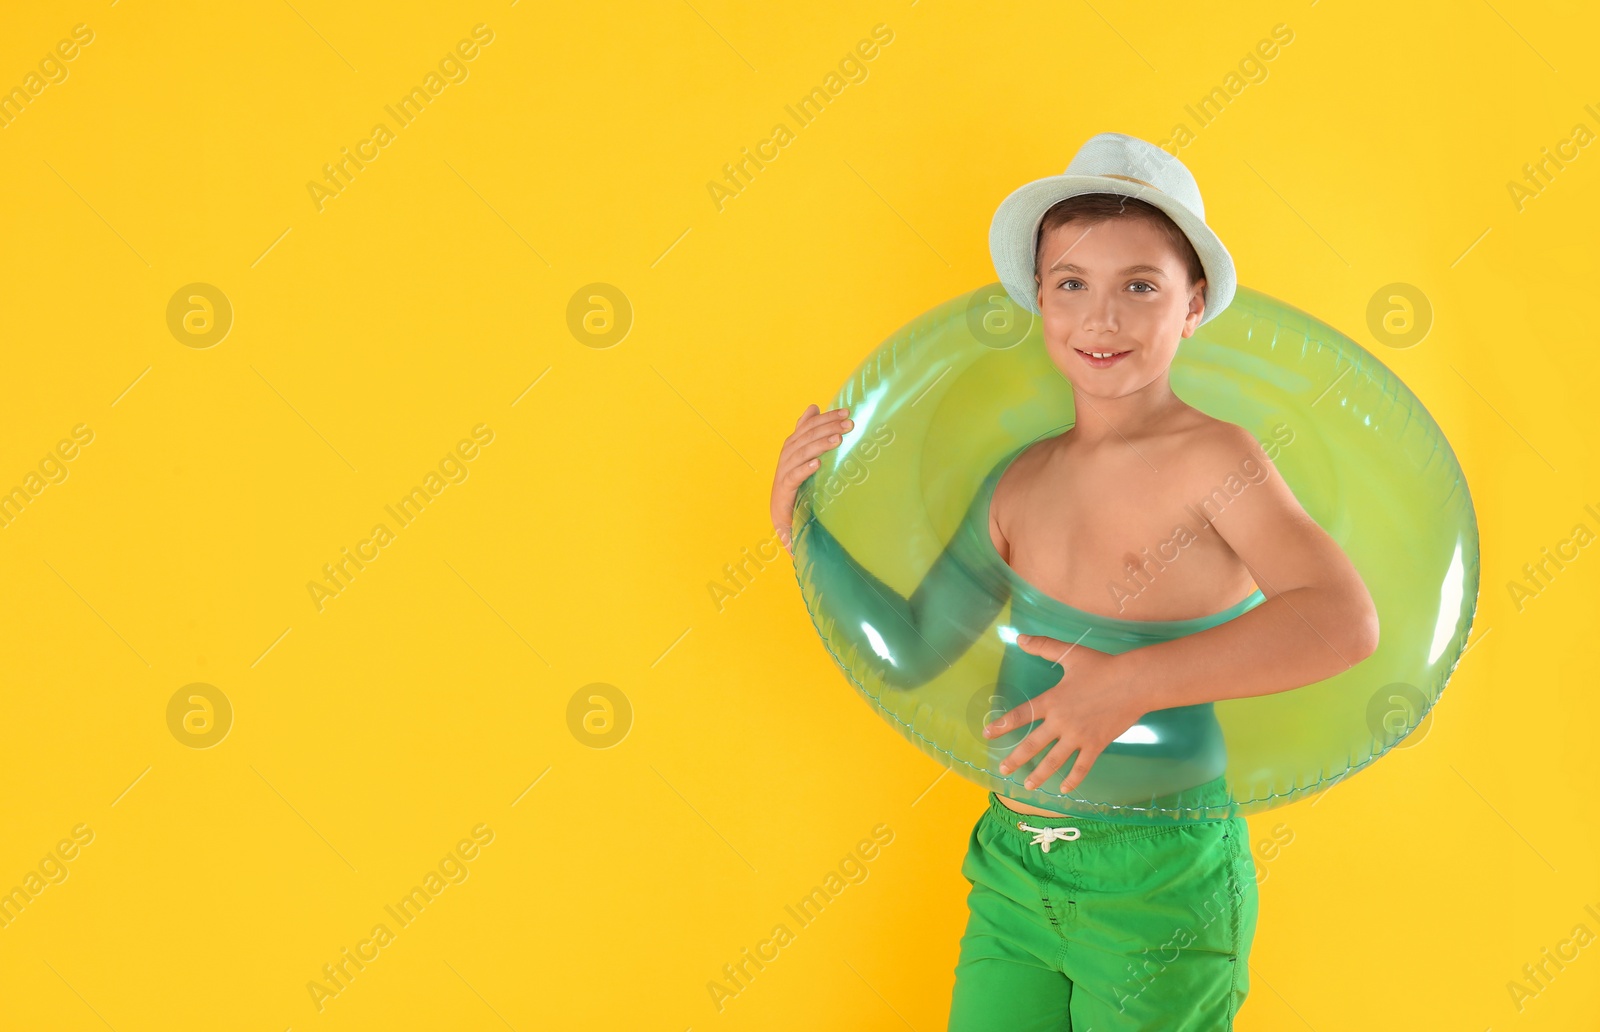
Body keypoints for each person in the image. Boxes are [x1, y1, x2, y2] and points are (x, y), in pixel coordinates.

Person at [768, 132, 1379, 1030]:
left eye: (1140, 286)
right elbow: (910, 648)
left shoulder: (1215, 460)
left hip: (1158, 870)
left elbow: (1341, 621)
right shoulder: (1022, 479)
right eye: (1072, 285)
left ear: (1192, 306)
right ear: (1040, 300)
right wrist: (803, 536)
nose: (1103, 318)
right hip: (1016, 862)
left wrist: (1132, 684)